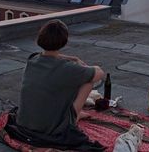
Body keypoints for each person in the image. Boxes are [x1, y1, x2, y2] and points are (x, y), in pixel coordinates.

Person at [10, 19, 105, 151]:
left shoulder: (32, 59)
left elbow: (50, 55)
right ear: (64, 41)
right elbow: (100, 73)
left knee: (58, 86)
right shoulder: (68, 69)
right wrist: (82, 64)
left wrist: (72, 58)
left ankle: (72, 114)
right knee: (88, 81)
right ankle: (74, 118)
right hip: (50, 130)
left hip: (24, 122)